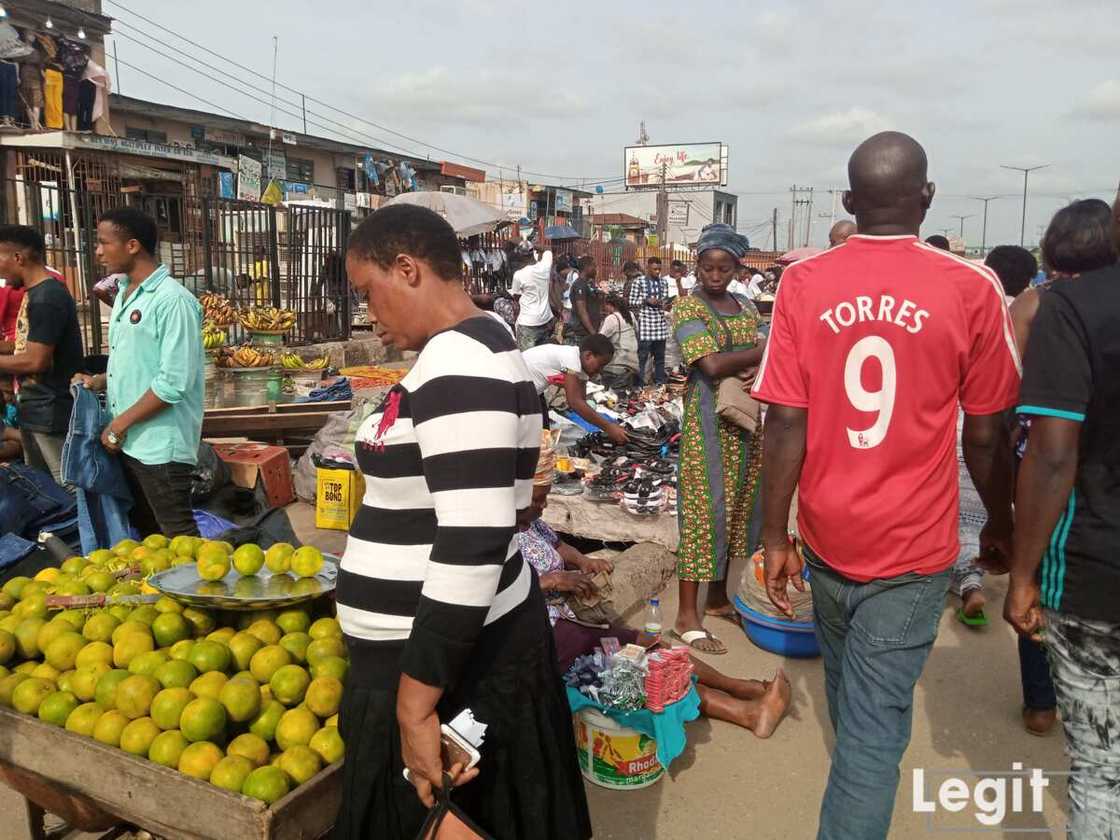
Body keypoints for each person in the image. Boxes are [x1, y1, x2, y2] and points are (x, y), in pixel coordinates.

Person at [752, 132, 1020, 840]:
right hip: (912, 550)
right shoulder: (970, 286)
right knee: (872, 735)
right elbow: (987, 435)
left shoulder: (804, 283)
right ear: (928, 196)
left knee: (854, 707)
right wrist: (1002, 524)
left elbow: (783, 423)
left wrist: (773, 536)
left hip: (825, 537)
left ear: (847, 202)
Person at [334, 204, 591, 840]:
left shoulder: (458, 362)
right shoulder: (489, 340)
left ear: (407, 268)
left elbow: (474, 539)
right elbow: (514, 499)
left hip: (437, 661)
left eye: (370, 292)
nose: (370, 313)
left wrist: (416, 705)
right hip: (462, 645)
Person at [520, 440, 791, 736]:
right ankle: (745, 712)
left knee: (650, 642)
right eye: (538, 500)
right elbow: (491, 594)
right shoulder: (490, 536)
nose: (544, 505)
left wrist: (584, 560)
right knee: (640, 666)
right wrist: (551, 580)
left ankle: (738, 686)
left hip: (568, 618)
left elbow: (558, 544)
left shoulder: (530, 522)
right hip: (541, 634)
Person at [1006, 183, 1120, 838]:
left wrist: (1021, 575)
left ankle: (1039, 704)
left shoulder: (1064, 306)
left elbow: (1051, 456)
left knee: (1102, 763)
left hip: (1095, 560)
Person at [75, 208, 203, 538]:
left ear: (132, 246)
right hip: (131, 440)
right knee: (148, 536)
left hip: (160, 444)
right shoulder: (126, 295)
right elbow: (136, 361)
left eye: (104, 243)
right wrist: (100, 381)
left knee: (179, 535)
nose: (98, 251)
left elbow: (173, 383)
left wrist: (118, 425)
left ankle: (195, 589)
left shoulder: (173, 301)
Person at [670, 223, 766, 655]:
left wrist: (747, 361)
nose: (713, 275)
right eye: (706, 267)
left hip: (743, 422)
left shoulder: (745, 305)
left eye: (723, 268)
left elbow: (748, 354)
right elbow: (708, 364)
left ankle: (719, 597)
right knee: (703, 513)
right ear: (697, 266)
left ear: (735, 268)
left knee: (737, 509)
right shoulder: (687, 309)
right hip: (707, 424)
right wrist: (759, 351)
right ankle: (686, 616)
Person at [0, 225, 83, 484]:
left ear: (18, 258)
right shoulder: (34, 294)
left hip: (51, 411)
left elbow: (36, 360)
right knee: (41, 485)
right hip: (35, 410)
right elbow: (26, 346)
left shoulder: (47, 297)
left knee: (66, 486)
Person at [522, 335, 628, 444]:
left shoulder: (580, 367)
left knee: (543, 436)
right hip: (518, 392)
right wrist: (608, 427)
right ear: (588, 355)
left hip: (533, 393)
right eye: (600, 365)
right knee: (534, 439)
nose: (600, 370)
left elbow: (582, 399)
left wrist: (607, 424)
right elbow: (574, 402)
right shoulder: (570, 359)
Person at [629, 255, 671, 385]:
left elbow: (665, 300)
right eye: (654, 269)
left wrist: (666, 304)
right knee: (642, 356)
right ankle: (639, 384)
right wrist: (646, 300)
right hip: (646, 322)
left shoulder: (663, 282)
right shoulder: (639, 281)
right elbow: (631, 302)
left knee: (660, 357)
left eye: (659, 269)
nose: (657, 272)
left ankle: (659, 382)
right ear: (648, 268)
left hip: (660, 322)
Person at [510, 244, 554, 351]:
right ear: (532, 252)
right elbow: (547, 249)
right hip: (545, 320)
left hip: (527, 323)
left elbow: (516, 297)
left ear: (521, 256)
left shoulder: (519, 275)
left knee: (527, 359)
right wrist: (533, 245)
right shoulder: (545, 266)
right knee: (542, 358)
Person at [598, 293, 638, 388]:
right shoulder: (630, 315)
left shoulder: (611, 319)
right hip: (633, 363)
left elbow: (599, 339)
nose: (604, 308)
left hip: (618, 364)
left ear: (609, 305)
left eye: (605, 306)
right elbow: (637, 331)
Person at [563, 256, 602, 345]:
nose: (596, 269)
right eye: (594, 266)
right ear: (587, 267)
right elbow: (582, 311)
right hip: (581, 333)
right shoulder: (579, 285)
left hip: (588, 332)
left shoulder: (588, 284)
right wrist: (593, 333)